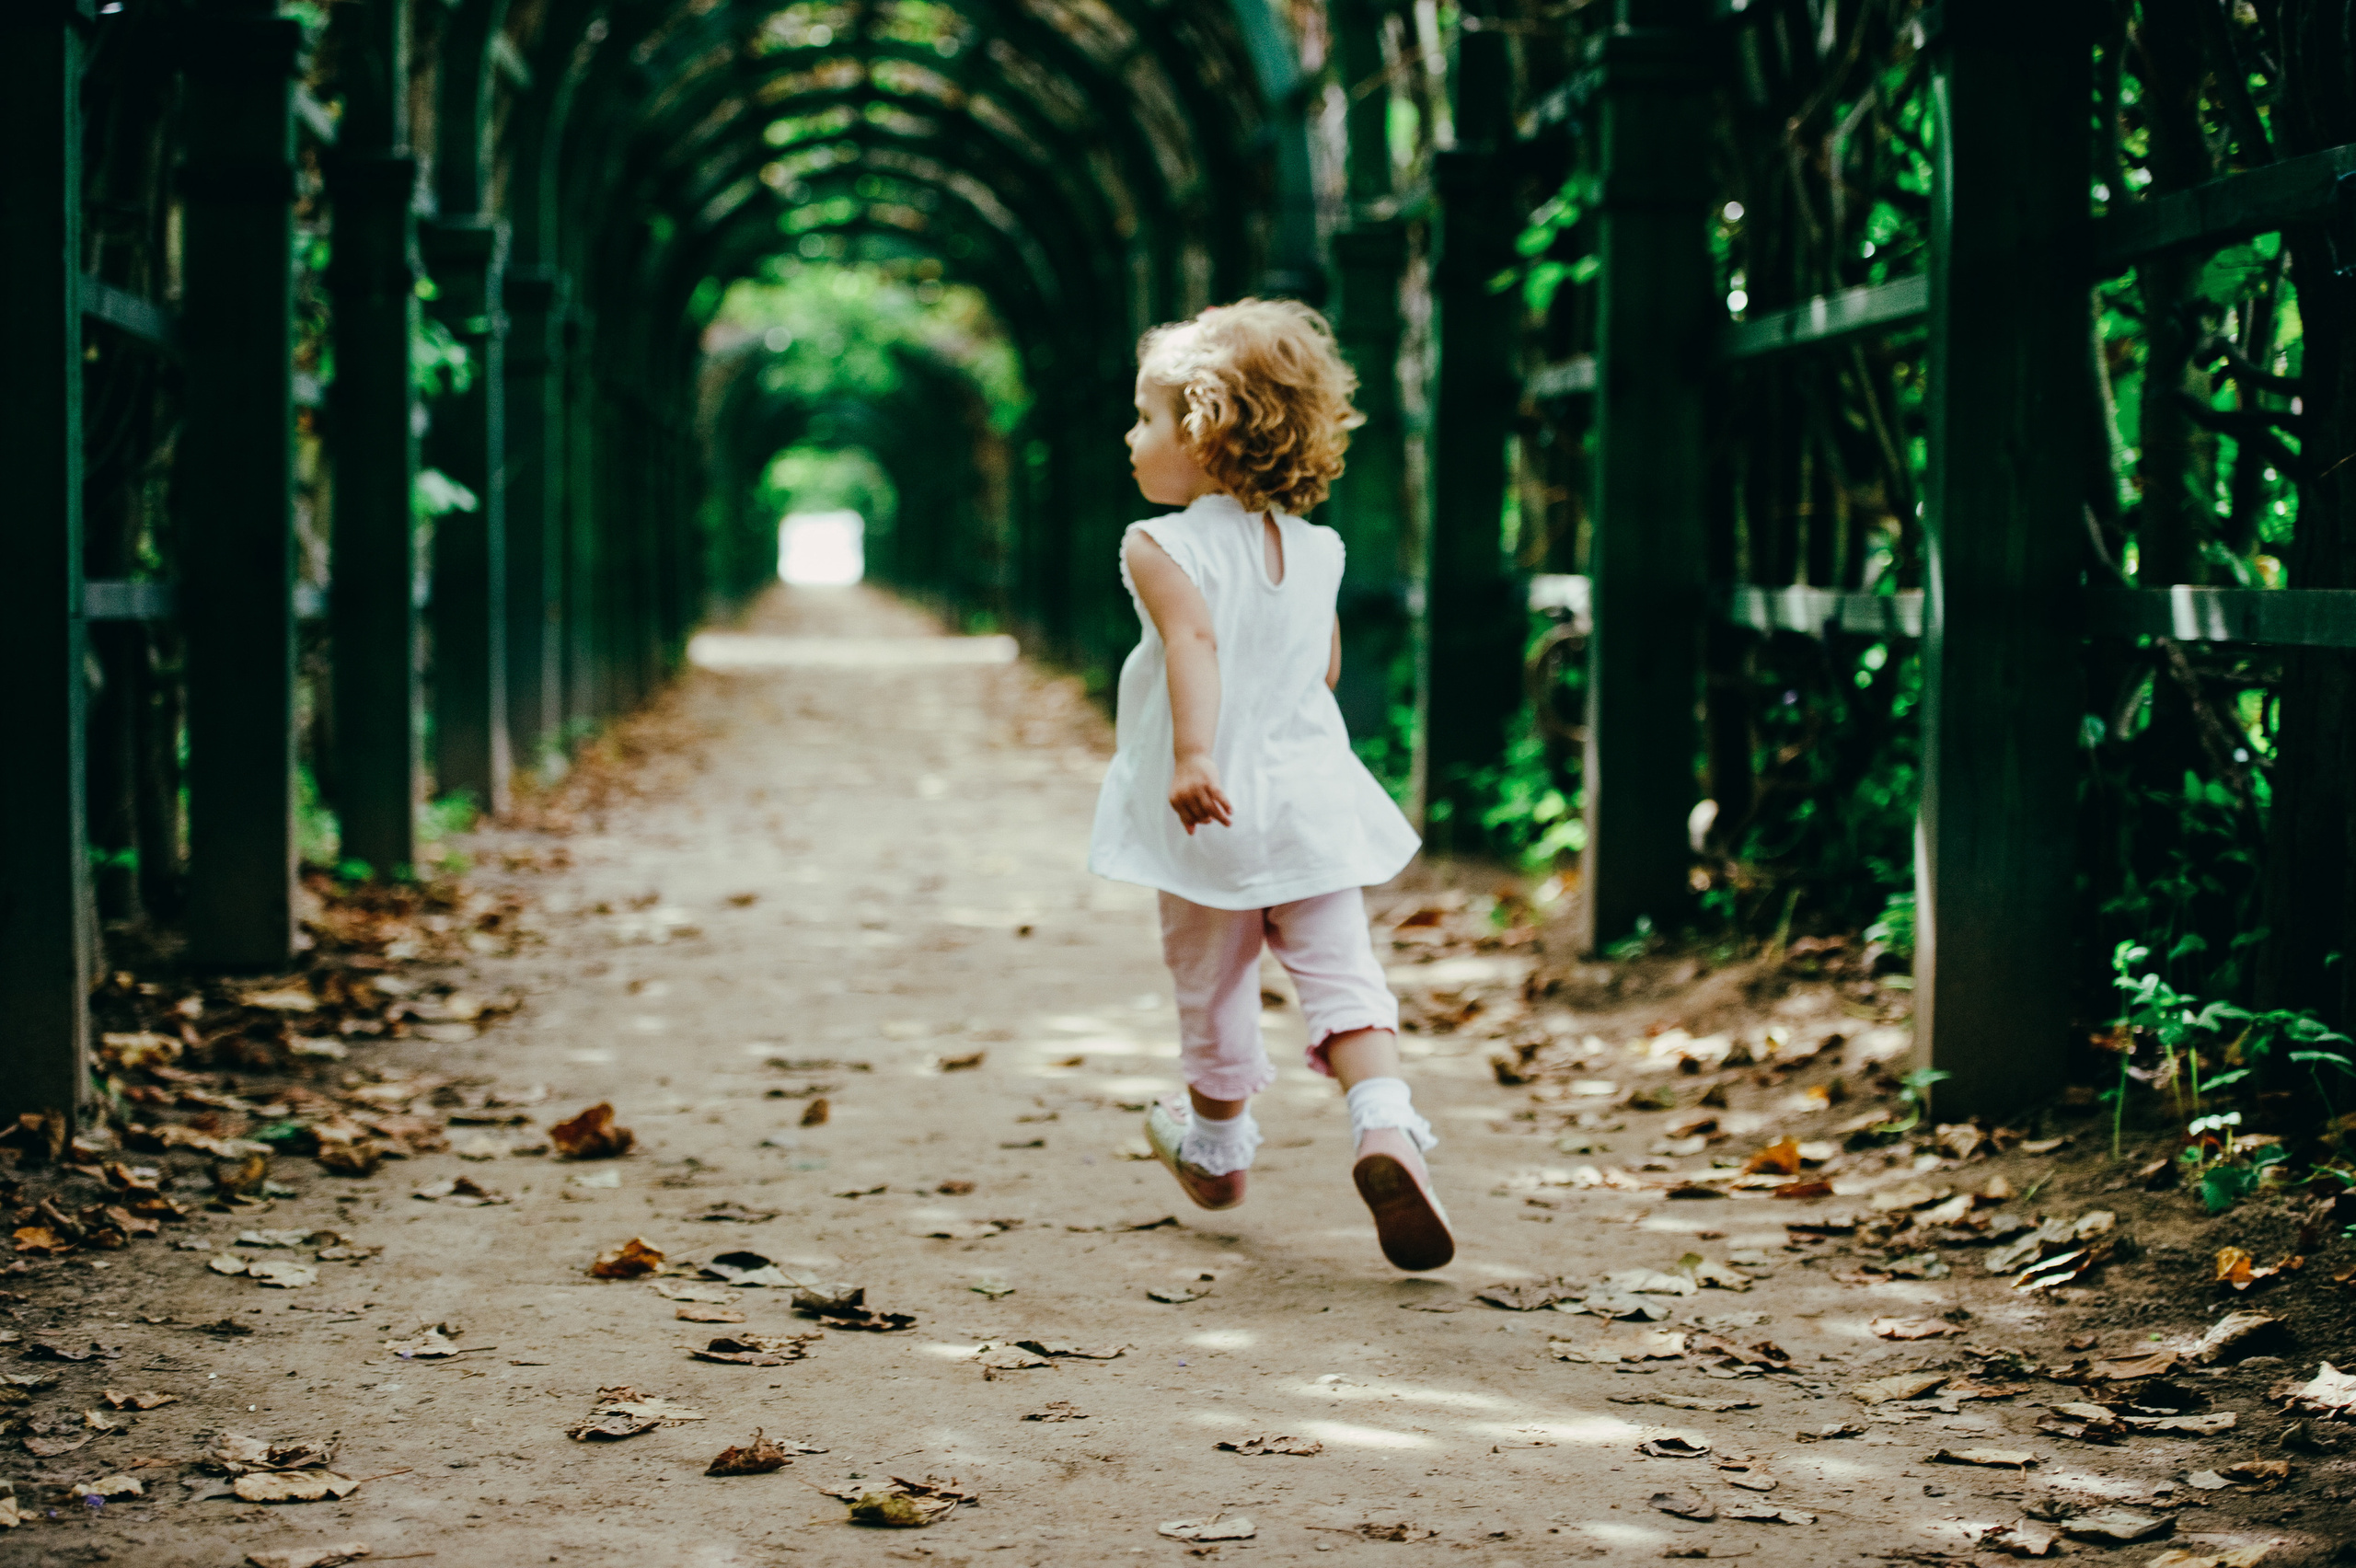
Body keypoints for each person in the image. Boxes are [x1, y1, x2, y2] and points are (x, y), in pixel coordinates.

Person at [1089, 298, 1452, 1272]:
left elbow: (1192, 641)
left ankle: (1213, 1145)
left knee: (1213, 981)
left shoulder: (1158, 545)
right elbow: (1319, 671)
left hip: (1215, 817)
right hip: (1313, 803)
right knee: (1342, 975)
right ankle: (1384, 1124)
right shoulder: (1319, 549)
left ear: (1204, 430)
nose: (1134, 436)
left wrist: (1196, 755)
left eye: (1148, 417)